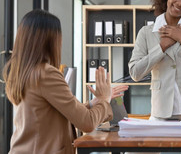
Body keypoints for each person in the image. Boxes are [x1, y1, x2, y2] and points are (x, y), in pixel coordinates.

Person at [2, 9, 128, 154]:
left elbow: (53, 113)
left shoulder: (21, 72)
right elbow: (87, 123)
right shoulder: (46, 73)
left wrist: (95, 102)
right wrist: (105, 100)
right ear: (50, 41)